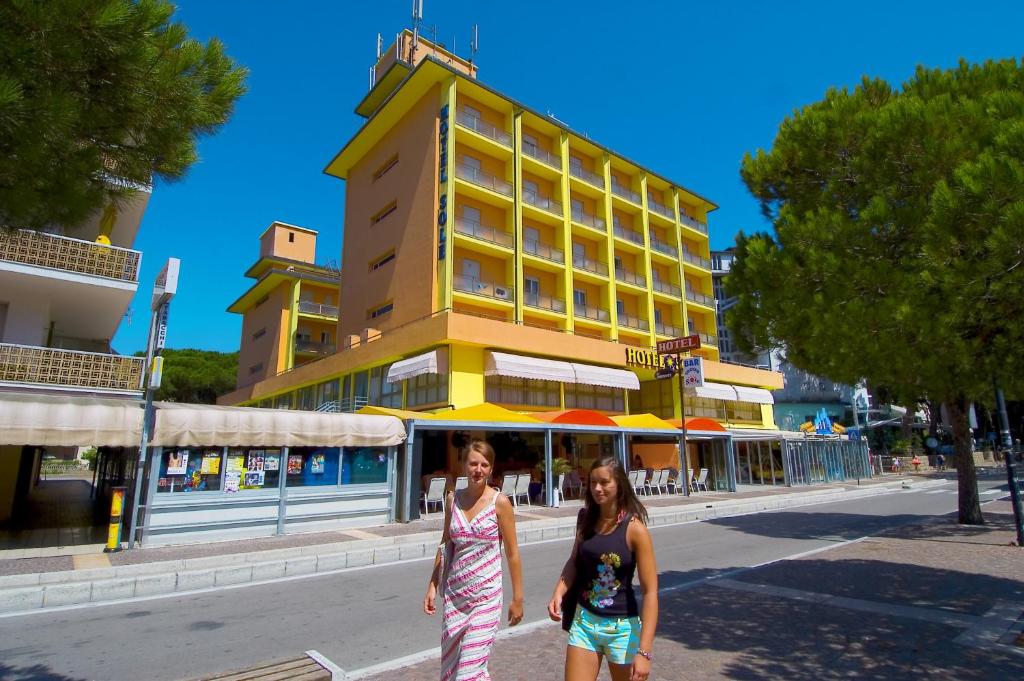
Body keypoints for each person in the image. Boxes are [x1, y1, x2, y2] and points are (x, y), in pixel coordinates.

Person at [547, 456, 658, 681]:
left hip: (622, 629)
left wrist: (644, 651)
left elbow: (650, 592)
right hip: (584, 623)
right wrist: (559, 591)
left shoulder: (634, 529)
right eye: (593, 482)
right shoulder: (585, 519)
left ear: (619, 483)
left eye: (604, 482)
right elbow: (574, 562)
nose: (597, 488)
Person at [423, 440, 524, 680]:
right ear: (464, 466)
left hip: (486, 598)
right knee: (450, 671)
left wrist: (518, 598)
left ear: (491, 469)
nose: (478, 470)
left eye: (484, 465)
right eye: (473, 464)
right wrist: (433, 584)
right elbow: (446, 543)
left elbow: (512, 553)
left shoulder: (500, 503)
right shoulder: (452, 500)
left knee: (469, 672)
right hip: (455, 598)